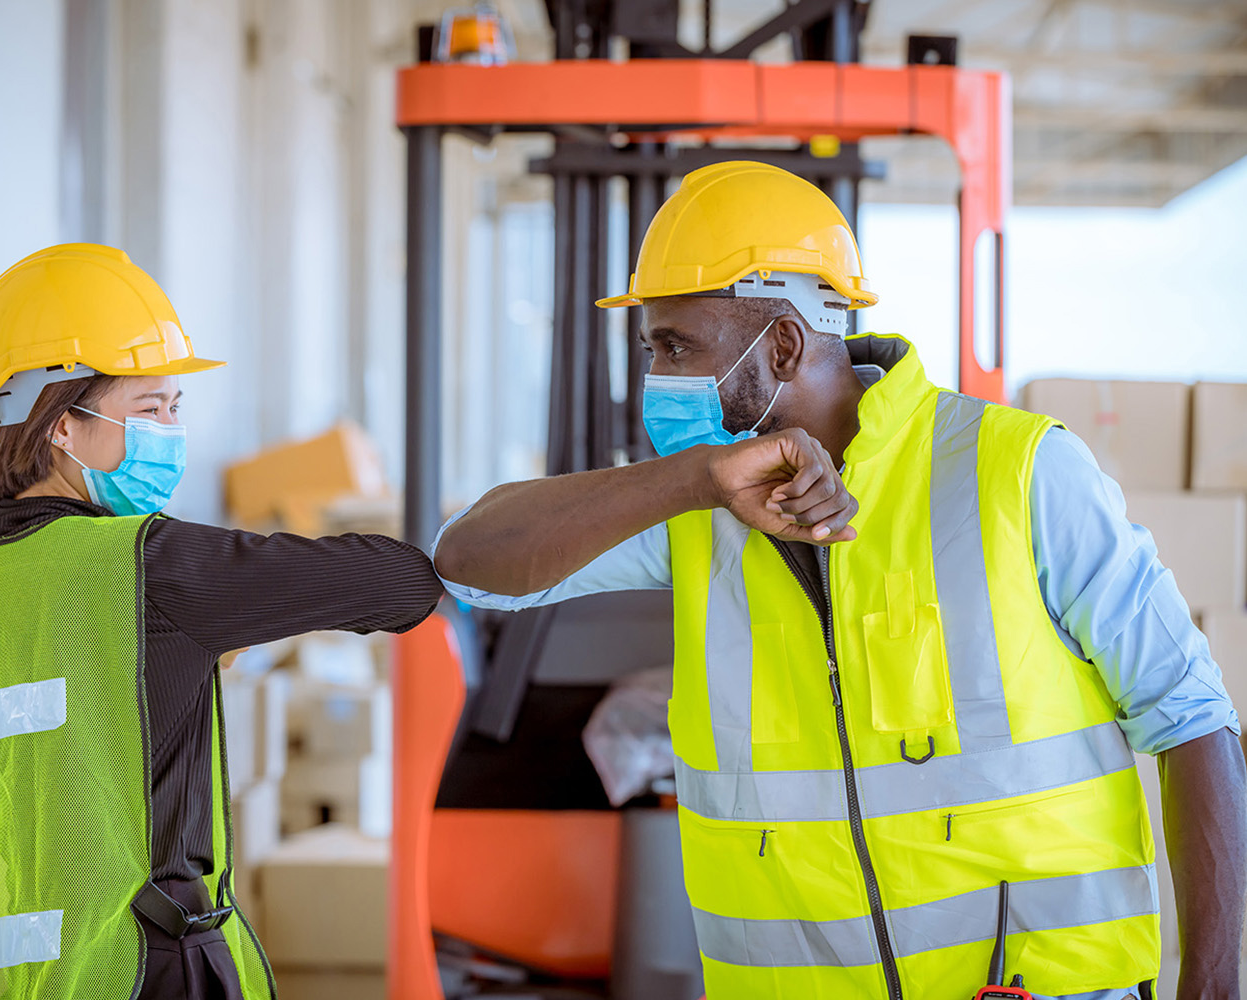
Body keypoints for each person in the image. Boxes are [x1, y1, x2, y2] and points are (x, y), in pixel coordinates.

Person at [434, 162, 1247, 999]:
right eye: (651, 347)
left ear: (782, 343)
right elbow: (470, 563)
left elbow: (1193, 721)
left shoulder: (1019, 472)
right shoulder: (696, 504)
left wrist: (1213, 989)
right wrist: (697, 479)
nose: (657, 377)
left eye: (678, 345)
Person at [0, 243, 444, 1000]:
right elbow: (398, 582)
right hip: (140, 969)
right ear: (60, 427)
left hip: (18, 981)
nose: (171, 432)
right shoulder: (144, 565)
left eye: (176, 407)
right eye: (148, 408)